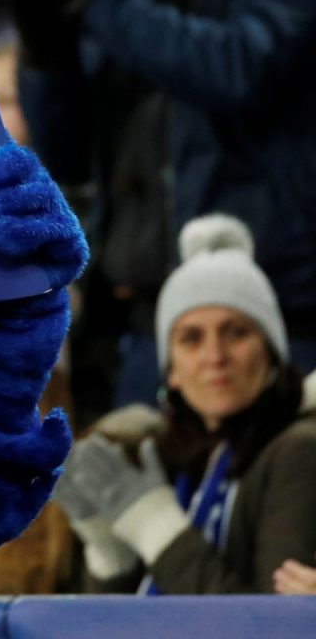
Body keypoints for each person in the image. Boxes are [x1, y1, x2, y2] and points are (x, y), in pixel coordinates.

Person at [0, 0, 316, 412]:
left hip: (276, 321)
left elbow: (241, 67)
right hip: (142, 329)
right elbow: (68, 152)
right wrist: (46, 48)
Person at [54, 214, 316, 594]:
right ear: (171, 371)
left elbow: (268, 627)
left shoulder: (300, 452)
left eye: (237, 332)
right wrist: (111, 557)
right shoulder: (175, 457)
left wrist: (155, 525)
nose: (215, 356)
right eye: (192, 338)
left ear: (271, 351)